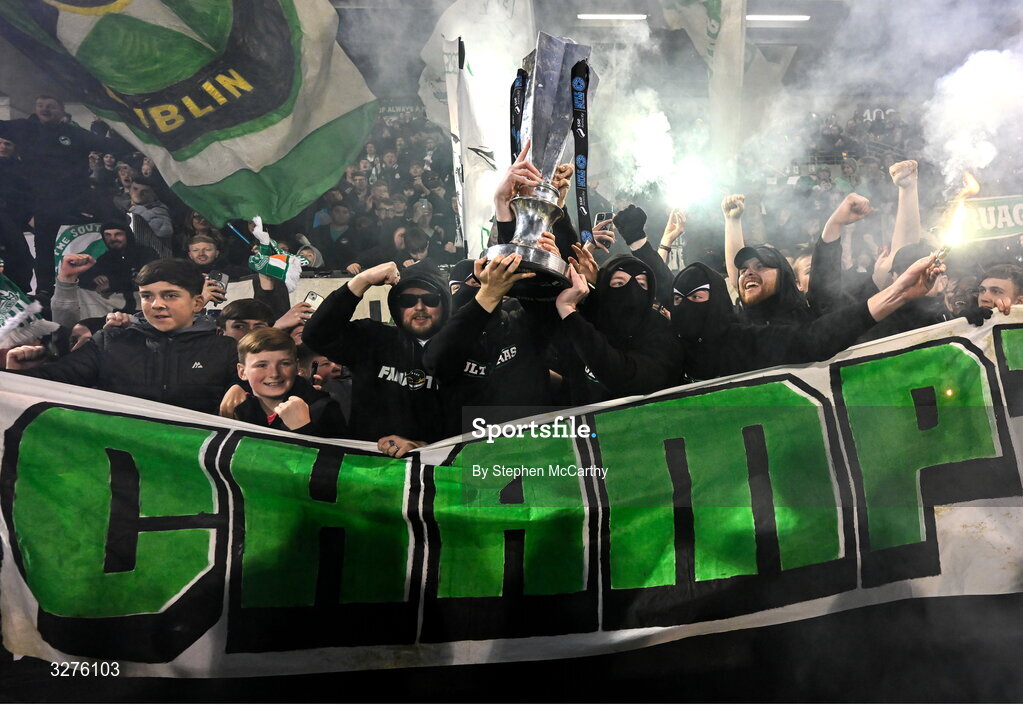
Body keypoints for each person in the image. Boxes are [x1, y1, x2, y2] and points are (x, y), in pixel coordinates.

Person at [7, 258, 238, 413]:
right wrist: (19, 375)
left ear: (197, 302)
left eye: (170, 296)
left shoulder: (225, 349)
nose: (157, 305)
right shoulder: (110, 342)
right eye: (147, 296)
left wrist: (245, 390)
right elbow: (59, 378)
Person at [303, 260, 454, 455]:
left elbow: (473, 419)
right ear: (396, 306)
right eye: (407, 301)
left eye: (431, 299)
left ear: (444, 304)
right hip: (368, 469)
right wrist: (362, 280)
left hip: (436, 468)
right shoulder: (372, 339)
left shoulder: (460, 350)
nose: (419, 307)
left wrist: (424, 446)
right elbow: (315, 335)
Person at [553, 255, 682, 405]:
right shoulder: (590, 319)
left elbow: (625, 378)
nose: (632, 292)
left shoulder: (661, 332)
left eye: (641, 284)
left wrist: (568, 309)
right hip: (586, 424)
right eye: (619, 283)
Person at [225, 327, 348, 438]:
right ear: (242, 372)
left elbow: (340, 459)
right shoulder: (235, 408)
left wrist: (303, 429)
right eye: (261, 365)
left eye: (285, 363)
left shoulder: (323, 409)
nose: (274, 374)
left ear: (297, 367)